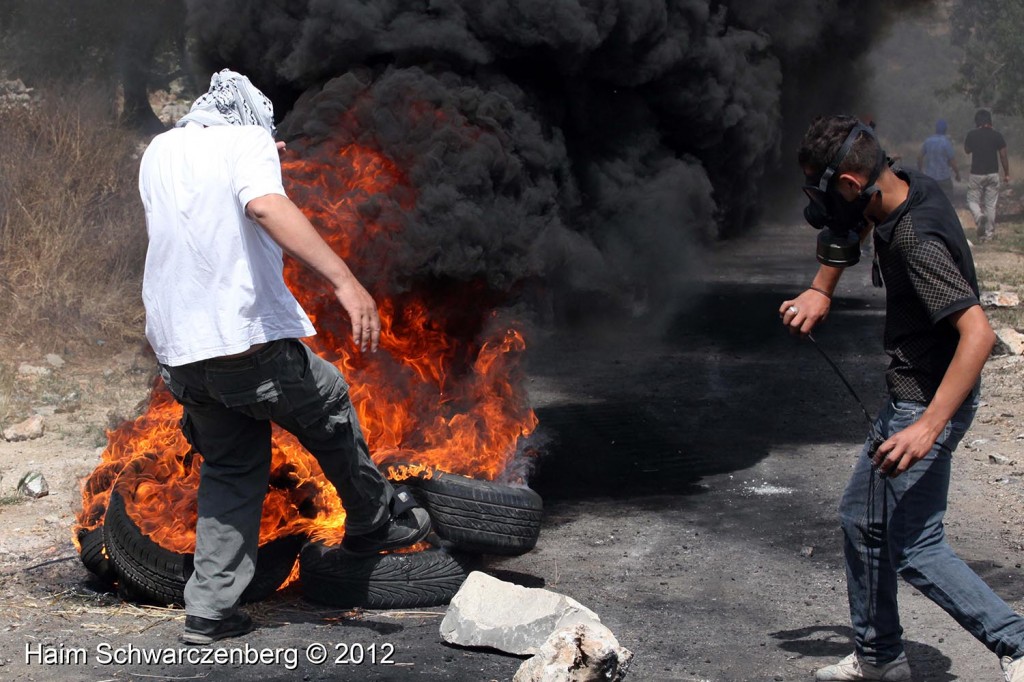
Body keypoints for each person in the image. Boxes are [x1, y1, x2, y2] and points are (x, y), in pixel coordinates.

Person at [138, 70, 431, 645]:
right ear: (252, 121)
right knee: (328, 407)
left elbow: (205, 198)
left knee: (232, 466)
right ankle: (375, 519)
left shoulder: (161, 150)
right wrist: (347, 283)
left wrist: (253, 153)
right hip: (244, 343)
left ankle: (210, 609)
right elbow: (265, 207)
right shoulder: (244, 144)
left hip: (180, 353)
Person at [779, 114, 1024, 681]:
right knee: (862, 521)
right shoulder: (900, 184)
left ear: (847, 184)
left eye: (822, 190)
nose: (822, 208)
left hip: (928, 403)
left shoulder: (916, 240)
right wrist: (821, 289)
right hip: (914, 396)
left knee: (915, 544)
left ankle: (1013, 642)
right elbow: (853, 229)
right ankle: (879, 656)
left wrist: (927, 428)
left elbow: (979, 335)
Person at [964, 108, 1009, 242]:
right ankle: (989, 235)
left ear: (977, 122)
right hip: (993, 174)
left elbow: (967, 151)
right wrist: (1007, 174)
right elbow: (1003, 156)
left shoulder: (972, 134)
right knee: (990, 205)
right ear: (990, 121)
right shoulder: (997, 135)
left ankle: (978, 217)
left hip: (976, 174)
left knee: (972, 200)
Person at [917, 118, 960, 201]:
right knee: (947, 202)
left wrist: (920, 170)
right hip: (944, 178)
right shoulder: (947, 142)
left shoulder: (928, 141)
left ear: (935, 129)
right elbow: (952, 161)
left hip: (930, 178)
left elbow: (919, 157)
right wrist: (957, 174)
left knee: (930, 201)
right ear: (945, 130)